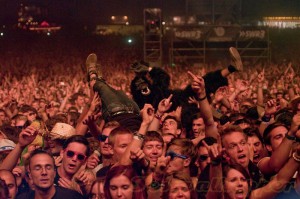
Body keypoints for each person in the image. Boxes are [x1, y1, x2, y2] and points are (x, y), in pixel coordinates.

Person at [86, 53, 141, 132]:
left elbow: (101, 137)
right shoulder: (140, 140)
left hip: (114, 112)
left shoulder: (114, 140)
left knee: (99, 87)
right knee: (119, 92)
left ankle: (92, 73)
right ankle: (100, 79)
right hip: (135, 112)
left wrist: (91, 125)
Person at [16, 149, 84, 199]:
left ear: (54, 173)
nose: (44, 172)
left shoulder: (72, 197)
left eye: (48, 168)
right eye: (37, 168)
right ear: (30, 175)